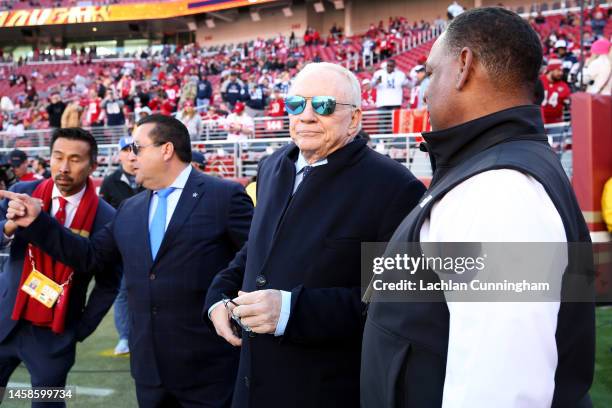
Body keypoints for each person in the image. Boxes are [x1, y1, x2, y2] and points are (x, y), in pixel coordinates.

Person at [361, 8, 595, 407]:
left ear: (464, 67)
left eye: (431, 73)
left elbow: (501, 393)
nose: (424, 90)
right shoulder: (488, 171)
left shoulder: (500, 191)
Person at [205, 62, 426, 408]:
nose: (306, 116)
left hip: (325, 388)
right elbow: (258, 249)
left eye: (322, 105)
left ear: (354, 119)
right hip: (250, 386)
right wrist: (217, 297)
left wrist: (294, 311)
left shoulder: (394, 186)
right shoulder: (273, 165)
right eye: (296, 105)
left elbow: (393, 301)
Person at [2, 114, 253, 407]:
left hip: (209, 366)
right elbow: (89, 256)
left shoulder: (223, 196)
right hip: (149, 370)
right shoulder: (130, 209)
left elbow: (257, 258)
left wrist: (233, 306)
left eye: (137, 148)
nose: (129, 157)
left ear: (166, 150)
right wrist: (38, 222)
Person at [0, 128, 120, 407]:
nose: (64, 167)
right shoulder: (22, 192)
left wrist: (79, 328)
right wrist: (8, 227)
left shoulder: (108, 217)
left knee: (48, 403)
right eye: (58, 157)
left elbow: (109, 282)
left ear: (93, 165)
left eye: (75, 159)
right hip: (6, 318)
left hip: (55, 331)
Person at [99, 136, 144, 355]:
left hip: (152, 244)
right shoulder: (110, 181)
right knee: (123, 292)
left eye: (134, 149)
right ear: (119, 154)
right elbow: (105, 216)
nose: (130, 154)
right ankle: (125, 337)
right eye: (126, 150)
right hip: (123, 247)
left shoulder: (151, 176)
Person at [541, 59, 571, 124]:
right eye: (558, 70)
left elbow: (568, 104)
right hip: (539, 121)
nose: (561, 73)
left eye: (561, 71)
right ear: (551, 70)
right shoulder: (539, 81)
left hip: (556, 122)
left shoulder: (563, 86)